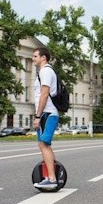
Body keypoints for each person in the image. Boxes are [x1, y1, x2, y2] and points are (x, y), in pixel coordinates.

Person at [32, 47, 59, 190]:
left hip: (48, 113)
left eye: (35, 56)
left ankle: (52, 179)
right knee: (44, 145)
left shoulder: (46, 71)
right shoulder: (43, 72)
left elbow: (44, 94)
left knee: (44, 144)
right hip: (45, 113)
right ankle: (51, 175)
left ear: (43, 57)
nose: (33, 58)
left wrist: (37, 115)